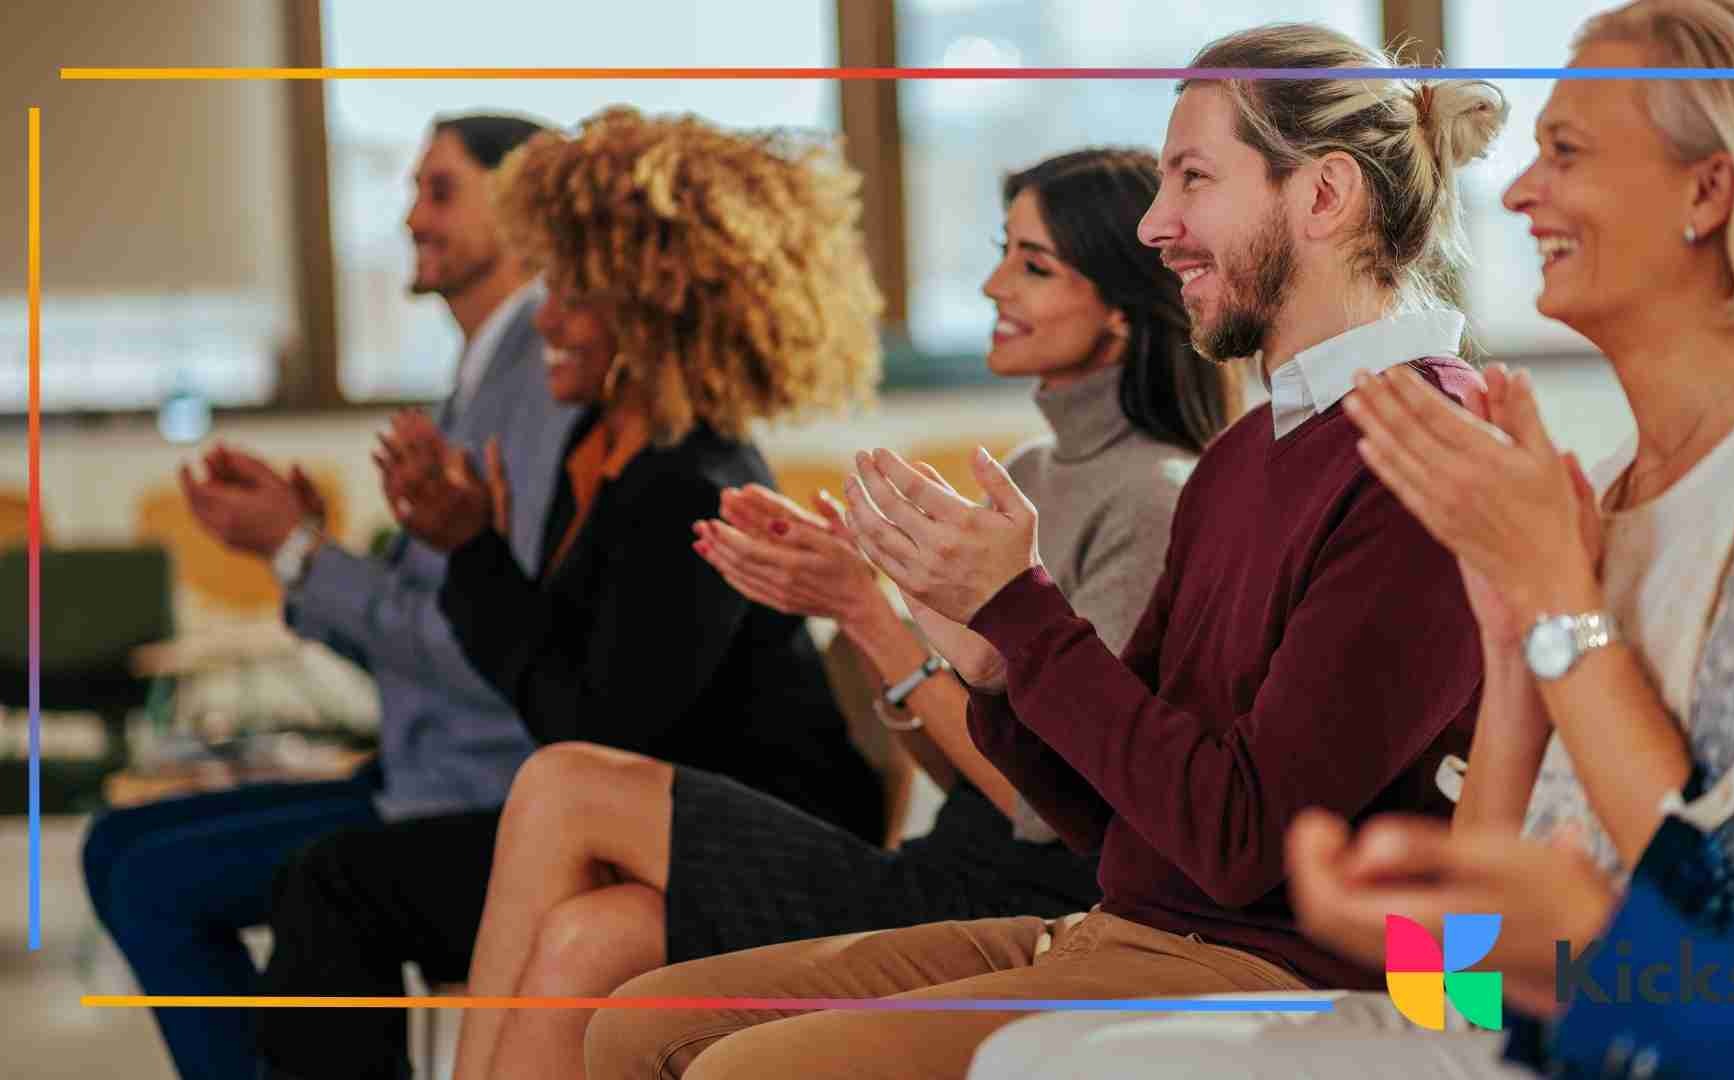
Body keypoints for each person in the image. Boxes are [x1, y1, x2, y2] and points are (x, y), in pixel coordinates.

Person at [976, 7, 1734, 1079]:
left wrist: (1554, 600)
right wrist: (1400, 917)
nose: (1515, 190)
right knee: (1039, 1058)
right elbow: (1463, 963)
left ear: (1709, 192)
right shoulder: (1602, 483)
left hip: (1632, 1035)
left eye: (1564, 153)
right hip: (1513, 1016)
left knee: (1047, 1064)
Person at [582, 23, 1507, 1079]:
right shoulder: (1249, 453)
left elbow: (1240, 837)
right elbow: (1110, 824)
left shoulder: (1422, 455)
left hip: (1281, 969)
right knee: (638, 1023)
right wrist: (992, 666)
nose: (1159, 225)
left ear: (1324, 197)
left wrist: (1023, 611)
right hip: (1131, 927)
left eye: (1193, 178)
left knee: (747, 1066)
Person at [448, 147, 1243, 1080]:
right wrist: (862, 603)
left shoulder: (1151, 496)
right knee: (591, 933)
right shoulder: (1032, 470)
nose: (991, 283)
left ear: (1119, 306)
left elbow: (1048, 811)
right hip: (948, 860)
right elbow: (951, 758)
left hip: (1023, 888)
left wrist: (867, 611)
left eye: (1033, 265)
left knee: (567, 782)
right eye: (1002, 252)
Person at [253, 107, 888, 1080]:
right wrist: (467, 546)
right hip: (656, 813)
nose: (545, 318)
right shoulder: (605, 454)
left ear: (654, 306)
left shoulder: (694, 481)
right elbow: (562, 687)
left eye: (577, 295)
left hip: (760, 831)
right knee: (337, 877)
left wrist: (472, 552)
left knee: (339, 883)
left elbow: (587, 726)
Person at [79, 112, 575, 1080]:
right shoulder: (479, 382)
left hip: (473, 787)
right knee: (114, 847)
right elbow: (447, 608)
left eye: (441, 191)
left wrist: (305, 554)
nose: (411, 219)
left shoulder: (536, 389)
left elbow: (483, 647)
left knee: (150, 882)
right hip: (421, 763)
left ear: (520, 216)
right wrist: (300, 547)